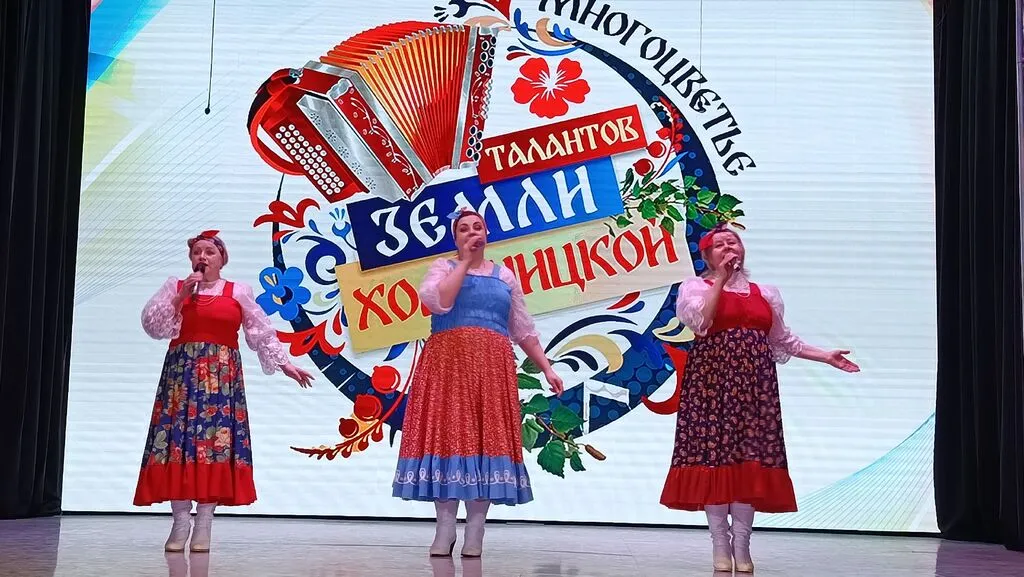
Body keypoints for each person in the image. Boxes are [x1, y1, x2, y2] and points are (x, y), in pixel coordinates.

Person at [661, 224, 859, 573]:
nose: (728, 248)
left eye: (733, 242)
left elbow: (783, 340)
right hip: (712, 388)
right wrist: (720, 281)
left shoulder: (766, 293)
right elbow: (702, 323)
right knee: (715, 461)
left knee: (748, 464)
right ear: (706, 256)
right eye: (719, 245)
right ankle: (719, 544)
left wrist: (824, 356)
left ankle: (742, 544)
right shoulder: (695, 288)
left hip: (755, 390)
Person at [393, 208, 563, 558]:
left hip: (491, 369)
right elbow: (440, 302)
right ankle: (444, 528)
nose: (472, 232)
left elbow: (523, 330)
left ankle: (476, 530)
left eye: (477, 227)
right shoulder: (443, 268)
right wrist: (464, 263)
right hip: (448, 366)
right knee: (449, 439)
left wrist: (547, 368)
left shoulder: (505, 276)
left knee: (487, 441)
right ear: (455, 238)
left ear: (487, 233)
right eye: (464, 229)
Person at [136, 230, 314, 552]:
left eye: (209, 252)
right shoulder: (176, 287)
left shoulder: (238, 291)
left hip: (220, 381)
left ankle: (204, 522)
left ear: (222, 259)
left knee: (213, 446)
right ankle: (180, 522)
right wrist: (180, 298)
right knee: (177, 444)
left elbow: (261, 331)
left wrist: (285, 364)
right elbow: (153, 326)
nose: (202, 257)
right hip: (181, 379)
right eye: (197, 252)